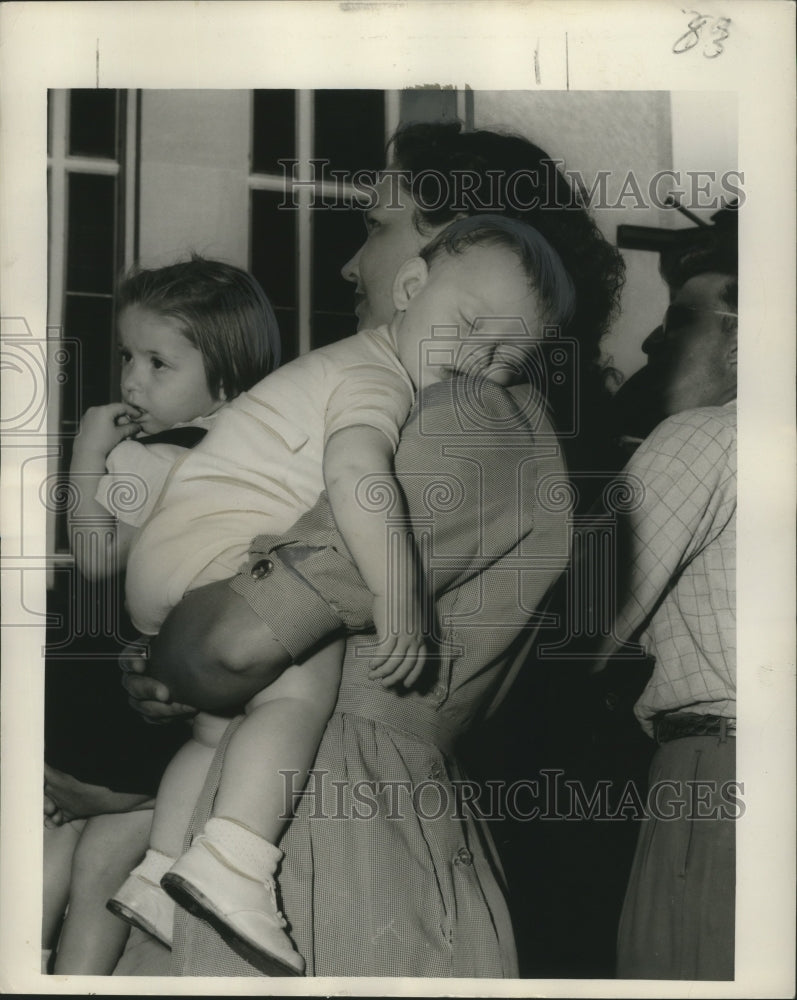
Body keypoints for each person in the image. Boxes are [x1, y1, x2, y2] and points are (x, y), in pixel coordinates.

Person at [115, 119, 626, 978]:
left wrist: (176, 654)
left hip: (332, 824)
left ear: (456, 242)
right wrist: (168, 659)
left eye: (376, 226)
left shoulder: (465, 412)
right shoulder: (450, 404)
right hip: (307, 797)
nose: (351, 265)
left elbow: (230, 644)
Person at [43, 257, 280, 975]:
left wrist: (88, 451)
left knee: (55, 845)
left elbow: (94, 557)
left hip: (101, 700)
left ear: (226, 377)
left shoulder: (153, 460)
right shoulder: (249, 458)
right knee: (101, 871)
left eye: (157, 363)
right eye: (127, 356)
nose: (132, 381)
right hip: (172, 707)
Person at [593, 245, 738, 979]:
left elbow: (578, 628)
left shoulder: (703, 436)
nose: (653, 340)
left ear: (744, 340)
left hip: (718, 782)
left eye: (680, 320)